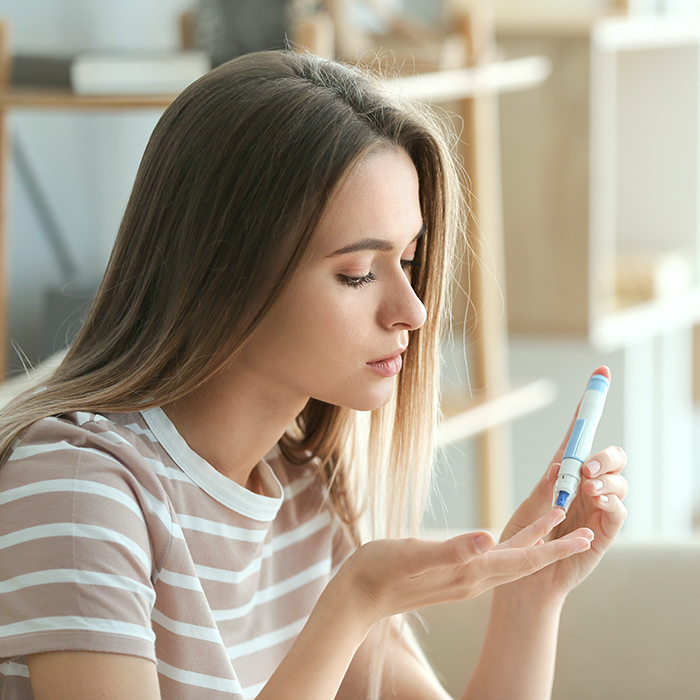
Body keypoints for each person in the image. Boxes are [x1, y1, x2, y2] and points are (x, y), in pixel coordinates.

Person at [0, 50, 627, 700]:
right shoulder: (80, 492)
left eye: (409, 260)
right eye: (358, 272)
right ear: (226, 273)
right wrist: (355, 600)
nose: (411, 311)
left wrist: (529, 599)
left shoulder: (301, 493)